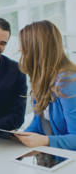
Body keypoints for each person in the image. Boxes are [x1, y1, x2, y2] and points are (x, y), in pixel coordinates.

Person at [14, 20, 76, 151]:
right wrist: (20, 136)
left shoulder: (68, 83)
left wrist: (45, 140)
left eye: (23, 44)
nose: (19, 49)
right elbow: (39, 122)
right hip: (55, 156)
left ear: (36, 49)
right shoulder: (41, 79)